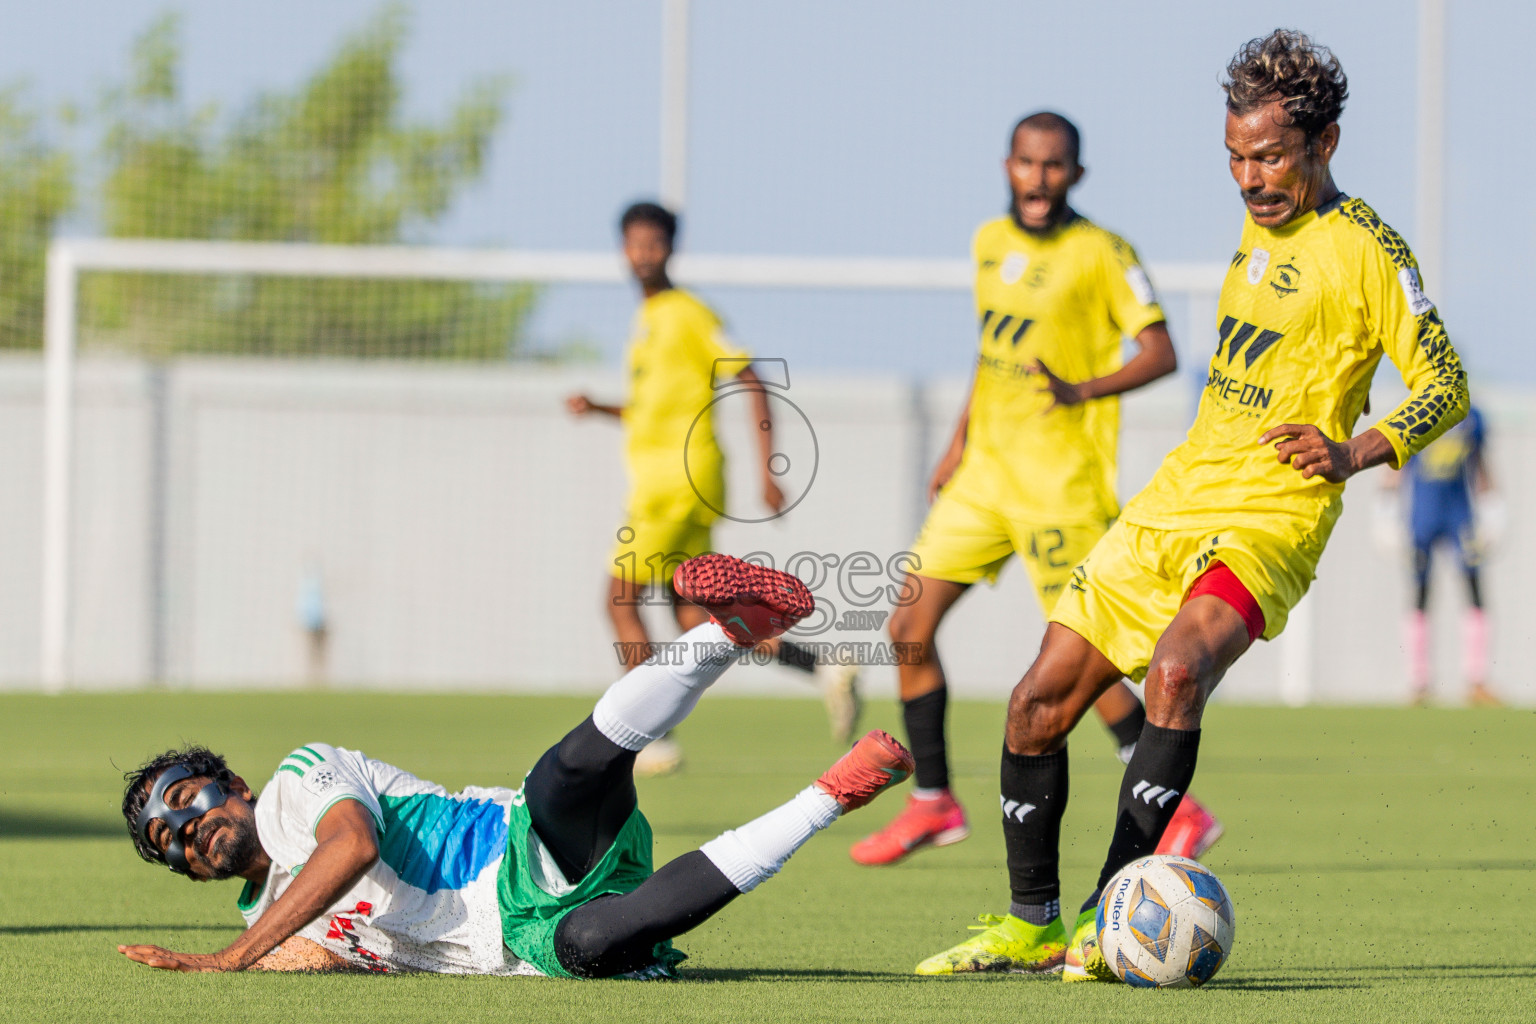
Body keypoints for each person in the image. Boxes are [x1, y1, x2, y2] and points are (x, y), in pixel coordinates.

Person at [915, 29, 1469, 980]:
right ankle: (1031, 922)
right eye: (1235, 158)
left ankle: (1108, 918)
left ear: (1326, 143)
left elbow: (1445, 384)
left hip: (1273, 514)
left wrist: (1352, 451)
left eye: (1271, 158)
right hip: (1175, 497)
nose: (1251, 180)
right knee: (1034, 706)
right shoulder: (1261, 223)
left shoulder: (1371, 249)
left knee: (1175, 672)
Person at [117, 554, 912, 978]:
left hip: (516, 850)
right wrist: (252, 958)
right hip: (523, 946)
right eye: (168, 842)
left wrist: (232, 961)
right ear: (187, 872)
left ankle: (736, 627)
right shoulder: (266, 916)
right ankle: (834, 794)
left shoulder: (298, 782)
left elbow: (352, 847)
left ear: (233, 785)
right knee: (595, 943)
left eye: (185, 798)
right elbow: (333, 949)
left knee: (568, 774)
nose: (186, 828)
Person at [852, 112, 1220, 867]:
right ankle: (934, 802)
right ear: (1008, 166)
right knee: (907, 626)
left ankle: (1181, 812)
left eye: (1055, 166)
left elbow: (1161, 351)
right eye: (1027, 162)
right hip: (984, 478)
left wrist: (1082, 390)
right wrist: (958, 441)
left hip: (1061, 488)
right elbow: (992, 352)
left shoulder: (1104, 253)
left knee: (1083, 657)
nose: (1039, 178)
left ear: (1076, 174)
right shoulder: (989, 242)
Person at [567, 202, 861, 773]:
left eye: (654, 242)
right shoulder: (648, 320)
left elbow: (752, 380)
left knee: (619, 600)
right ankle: (822, 665)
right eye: (635, 243)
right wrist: (598, 407)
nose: (643, 253)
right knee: (696, 618)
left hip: (673, 485)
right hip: (677, 484)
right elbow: (650, 410)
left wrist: (769, 471)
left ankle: (648, 737)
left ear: (671, 248)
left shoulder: (687, 313)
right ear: (622, 249)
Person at [1398, 404, 1499, 705]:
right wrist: (1385, 505)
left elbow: (1480, 465)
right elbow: (1396, 464)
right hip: (1423, 517)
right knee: (1420, 593)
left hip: (1460, 515)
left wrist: (1493, 507)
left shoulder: (1473, 416)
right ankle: (1419, 683)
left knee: (1474, 590)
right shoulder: (1412, 412)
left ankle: (1477, 680)